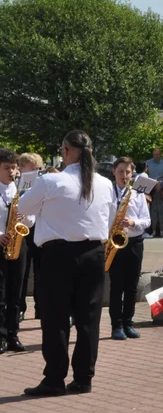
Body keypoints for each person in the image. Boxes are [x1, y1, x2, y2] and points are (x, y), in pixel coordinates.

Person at [19, 130, 112, 396]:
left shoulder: (51, 181)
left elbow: (22, 208)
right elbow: (108, 217)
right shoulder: (104, 183)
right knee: (89, 320)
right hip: (94, 253)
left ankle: (54, 379)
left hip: (58, 256)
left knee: (55, 318)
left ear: (65, 151)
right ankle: (83, 378)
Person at [107, 157, 151, 341]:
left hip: (134, 242)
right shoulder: (107, 192)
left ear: (132, 174)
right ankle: (116, 326)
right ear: (114, 172)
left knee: (131, 286)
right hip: (114, 243)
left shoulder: (138, 194)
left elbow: (146, 221)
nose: (124, 176)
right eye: (120, 172)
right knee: (116, 286)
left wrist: (133, 222)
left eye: (127, 172)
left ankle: (129, 323)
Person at [0, 148, 34, 353]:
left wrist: (25, 219)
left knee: (16, 294)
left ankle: (13, 334)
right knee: (0, 294)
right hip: (0, 244)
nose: (12, 172)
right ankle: (1, 336)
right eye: (7, 168)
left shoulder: (22, 190)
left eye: (14, 168)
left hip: (19, 244)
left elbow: (32, 218)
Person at [16, 152, 43, 322]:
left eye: (37, 169)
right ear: (22, 168)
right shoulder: (15, 184)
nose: (35, 173)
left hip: (38, 230)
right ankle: (20, 308)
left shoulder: (41, 184)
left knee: (40, 271)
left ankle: (40, 308)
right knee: (22, 273)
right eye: (31, 169)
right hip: (22, 231)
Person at [145, 147, 163, 238]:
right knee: (151, 210)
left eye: (157, 154)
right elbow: (146, 175)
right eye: (154, 155)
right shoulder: (148, 163)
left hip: (162, 189)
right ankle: (150, 230)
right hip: (151, 189)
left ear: (161, 154)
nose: (155, 156)